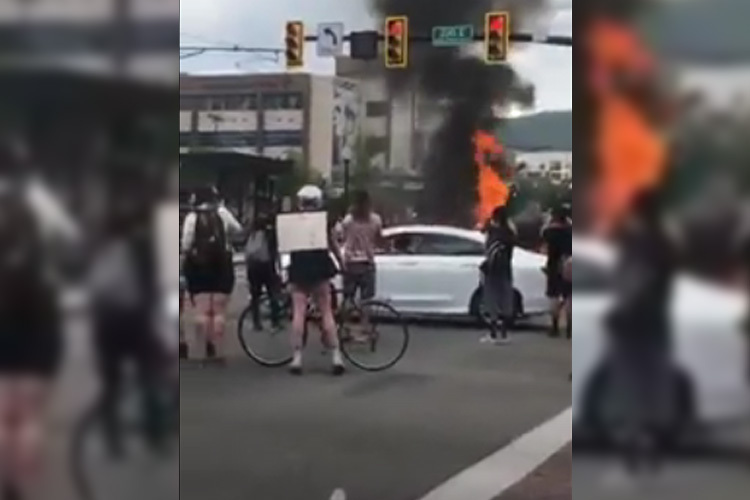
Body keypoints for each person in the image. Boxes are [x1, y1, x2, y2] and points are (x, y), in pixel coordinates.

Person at [0, 137, 79, 500]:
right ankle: (22, 488)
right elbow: (70, 241)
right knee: (30, 415)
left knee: (3, 415)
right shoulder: (37, 197)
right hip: (38, 315)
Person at [89, 178, 167, 458]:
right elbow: (153, 285)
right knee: (150, 373)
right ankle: (155, 432)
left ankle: (113, 437)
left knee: (112, 381)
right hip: (134, 321)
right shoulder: (142, 244)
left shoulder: (99, 244)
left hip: (105, 321)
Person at [286, 185, 344, 376]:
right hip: (320, 268)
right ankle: (336, 356)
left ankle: (297, 358)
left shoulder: (292, 222)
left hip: (299, 268)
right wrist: (341, 263)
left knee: (298, 313)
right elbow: (333, 245)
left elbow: (284, 246)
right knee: (327, 312)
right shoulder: (323, 221)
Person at [181, 186, 242, 365]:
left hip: (199, 267)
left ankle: (207, 347)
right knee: (219, 311)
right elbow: (238, 229)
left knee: (202, 310)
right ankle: (218, 349)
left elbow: (186, 243)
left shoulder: (192, 217)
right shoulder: (223, 213)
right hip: (222, 266)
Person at [480, 205, 517, 344]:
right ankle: (504, 333)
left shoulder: (493, 232)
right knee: (505, 300)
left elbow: (487, 248)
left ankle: (493, 334)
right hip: (506, 269)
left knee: (492, 300)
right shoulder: (509, 233)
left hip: (492, 270)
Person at [340, 190, 383, 304]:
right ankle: (365, 320)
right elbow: (379, 238)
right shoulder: (376, 220)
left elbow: (343, 237)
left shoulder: (348, 221)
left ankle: (346, 319)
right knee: (367, 300)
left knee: (348, 298)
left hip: (350, 262)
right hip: (367, 263)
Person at [244, 208, 281, 331]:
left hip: (253, 266)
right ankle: (275, 321)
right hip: (267, 265)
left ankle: (256, 321)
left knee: (255, 295)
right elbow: (275, 250)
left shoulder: (252, 233)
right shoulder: (271, 233)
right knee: (273, 292)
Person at [542, 204, 573, 338]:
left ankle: (554, 326)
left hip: (554, 266)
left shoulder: (549, 232)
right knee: (569, 297)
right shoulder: (572, 231)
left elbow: (543, 243)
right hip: (570, 266)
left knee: (554, 296)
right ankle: (569, 329)